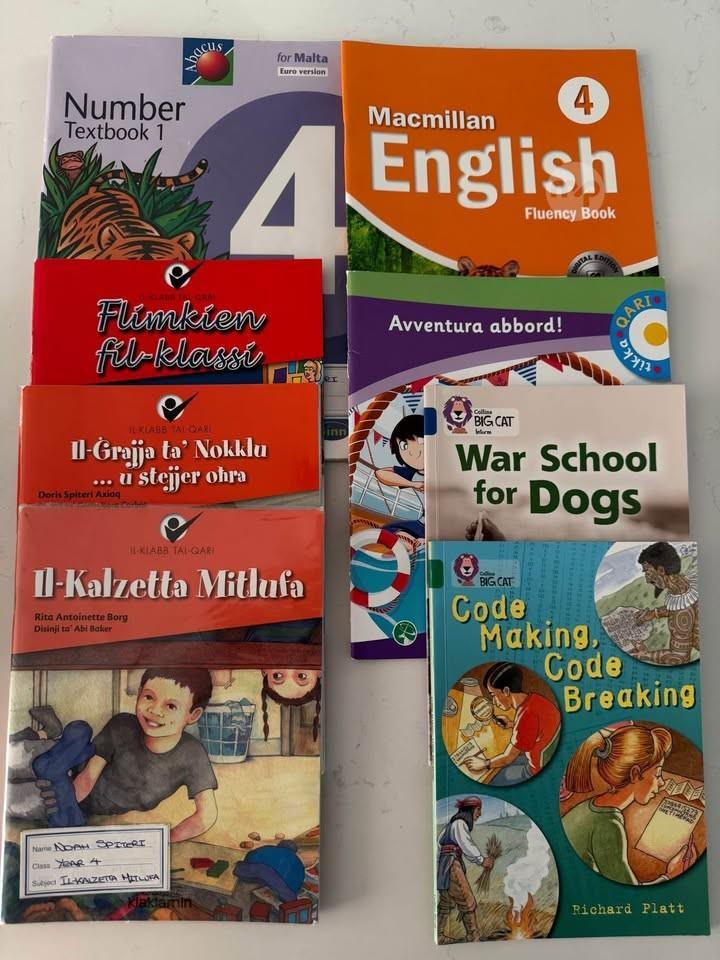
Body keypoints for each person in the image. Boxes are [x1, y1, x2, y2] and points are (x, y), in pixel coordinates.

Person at [8, 668, 219, 843]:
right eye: (149, 697)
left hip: (78, 797)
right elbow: (89, 776)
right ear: (139, 694)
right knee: (13, 758)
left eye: (171, 706)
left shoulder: (193, 754)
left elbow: (206, 815)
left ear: (193, 715)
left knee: (11, 800)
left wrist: (165, 839)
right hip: (71, 759)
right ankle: (49, 739)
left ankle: (50, 741)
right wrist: (65, 802)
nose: (155, 710)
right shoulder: (122, 725)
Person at [561, 724, 698, 885]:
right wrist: (670, 875)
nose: (661, 782)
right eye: (657, 773)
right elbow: (630, 891)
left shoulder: (590, 806)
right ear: (635, 774)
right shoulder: (608, 826)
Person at [463, 662, 560, 785]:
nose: (494, 701)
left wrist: (485, 763)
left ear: (506, 691)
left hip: (535, 769)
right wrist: (512, 724)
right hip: (544, 758)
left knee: (490, 779)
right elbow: (534, 728)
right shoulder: (536, 699)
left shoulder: (525, 716)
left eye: (493, 695)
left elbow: (508, 758)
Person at [436, 796, 494, 944]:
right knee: (467, 900)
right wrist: (482, 860)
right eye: (478, 810)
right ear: (470, 810)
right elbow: (466, 844)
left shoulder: (451, 825)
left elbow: (439, 845)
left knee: (446, 902)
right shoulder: (459, 823)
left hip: (445, 865)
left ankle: (439, 935)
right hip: (451, 865)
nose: (479, 814)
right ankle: (473, 937)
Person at [634, 542, 699, 664]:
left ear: (661, 570)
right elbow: (686, 608)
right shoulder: (688, 583)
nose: (647, 580)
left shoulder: (682, 613)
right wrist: (654, 613)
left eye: (647, 572)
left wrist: (645, 655)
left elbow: (680, 656)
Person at [374, 414, 424, 494]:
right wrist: (413, 484)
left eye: (420, 441)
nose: (411, 452)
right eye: (404, 446)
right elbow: (380, 473)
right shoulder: (411, 472)